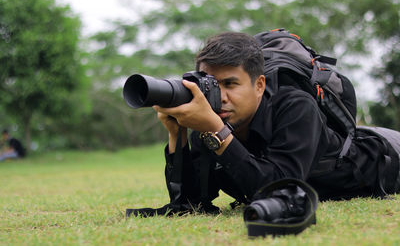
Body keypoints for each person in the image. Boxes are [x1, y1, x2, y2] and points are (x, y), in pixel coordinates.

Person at [126, 32, 400, 217]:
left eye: (231, 84)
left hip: (387, 155)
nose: (220, 97)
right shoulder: (209, 119)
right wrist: (178, 135)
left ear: (259, 85)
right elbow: (192, 201)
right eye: (211, 84)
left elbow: (281, 189)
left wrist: (217, 132)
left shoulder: (295, 106)